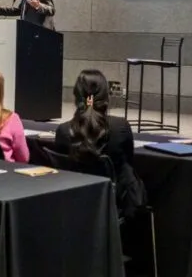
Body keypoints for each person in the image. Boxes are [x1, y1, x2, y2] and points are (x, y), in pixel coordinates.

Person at [55, 70, 146, 219]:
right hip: (113, 204)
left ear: (76, 97)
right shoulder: (120, 128)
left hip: (72, 203)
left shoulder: (63, 131)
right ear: (105, 97)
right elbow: (129, 163)